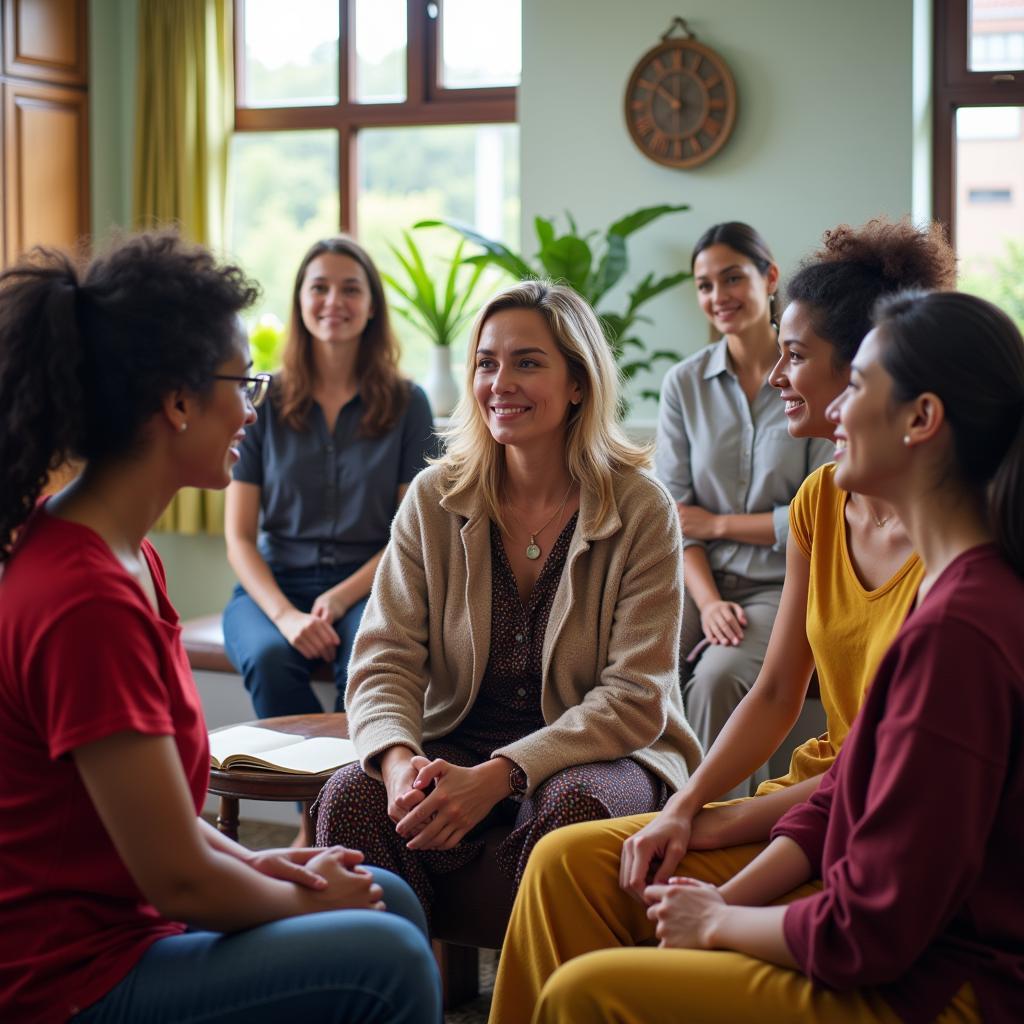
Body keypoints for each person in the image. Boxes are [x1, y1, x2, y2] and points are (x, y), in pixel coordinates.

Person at [487, 218, 957, 1024]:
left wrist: (721, 831)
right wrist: (685, 806)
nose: (779, 373)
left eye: (797, 355)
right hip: (810, 797)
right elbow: (779, 690)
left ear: (872, 369)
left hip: (851, 818)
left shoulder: (955, 557)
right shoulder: (821, 500)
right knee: (566, 860)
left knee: (605, 954)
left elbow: (879, 790)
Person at [0, 233, 441, 1024]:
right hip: (71, 981)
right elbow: (179, 880)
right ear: (176, 402)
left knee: (388, 896)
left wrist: (279, 868)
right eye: (242, 383)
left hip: (132, 928)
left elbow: (172, 838)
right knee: (390, 954)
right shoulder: (84, 599)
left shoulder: (129, 557)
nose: (251, 405)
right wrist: (299, 898)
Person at [313, 280, 702, 919]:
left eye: (528, 362)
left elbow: (637, 698)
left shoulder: (640, 507)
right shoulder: (433, 498)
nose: (501, 382)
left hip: (600, 751)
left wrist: (501, 776)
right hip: (458, 740)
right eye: (487, 363)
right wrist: (399, 765)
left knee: (575, 811)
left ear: (578, 382)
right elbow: (383, 660)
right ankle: (392, 989)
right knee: (349, 796)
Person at [223, 236, 434, 720]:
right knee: (269, 657)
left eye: (350, 289)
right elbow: (238, 538)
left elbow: (412, 535)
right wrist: (286, 617)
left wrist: (338, 598)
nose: (334, 302)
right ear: (300, 302)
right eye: (319, 287)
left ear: (372, 306)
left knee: (365, 667)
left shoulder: (409, 402)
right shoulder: (264, 400)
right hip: (274, 587)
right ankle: (310, 799)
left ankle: (348, 795)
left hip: (373, 585)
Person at [656, 222, 832, 797]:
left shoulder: (808, 377)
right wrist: (706, 602)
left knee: (717, 677)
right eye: (705, 285)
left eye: (732, 277)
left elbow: (815, 510)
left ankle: (712, 835)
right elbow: (678, 521)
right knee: (620, 661)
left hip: (781, 588)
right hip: (696, 584)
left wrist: (719, 523)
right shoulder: (684, 384)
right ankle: (629, 808)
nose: (718, 296)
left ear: (770, 277)